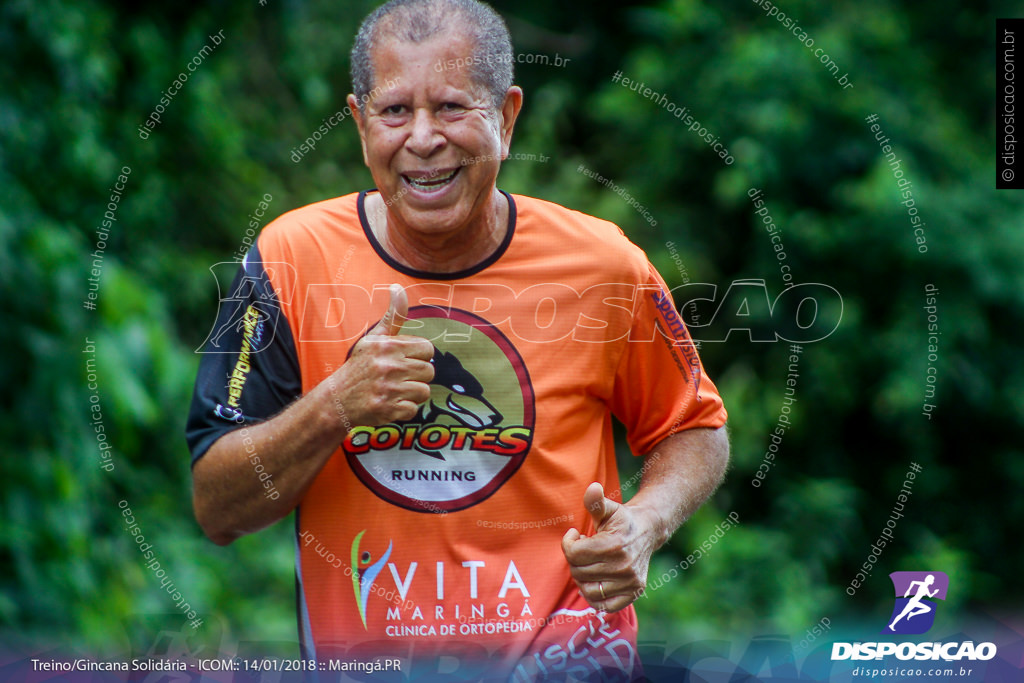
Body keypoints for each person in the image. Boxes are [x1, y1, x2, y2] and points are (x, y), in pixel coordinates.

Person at [186, 0, 729, 679]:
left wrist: (646, 523)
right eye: (393, 111)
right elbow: (218, 505)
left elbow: (696, 425)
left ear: (505, 118)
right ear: (358, 123)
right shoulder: (290, 260)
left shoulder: (605, 265)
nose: (421, 137)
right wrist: (335, 406)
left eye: (450, 108)